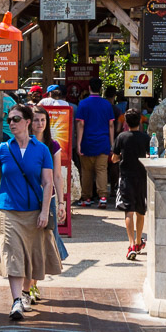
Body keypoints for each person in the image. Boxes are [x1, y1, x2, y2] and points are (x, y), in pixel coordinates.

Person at [0, 103, 60, 321]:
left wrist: (45, 211)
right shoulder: (2, 149)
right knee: (12, 255)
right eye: (9, 120)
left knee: (30, 256)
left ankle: (26, 293)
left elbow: (48, 183)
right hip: (7, 209)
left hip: (33, 211)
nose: (11, 123)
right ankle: (17, 300)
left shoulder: (42, 150)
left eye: (16, 119)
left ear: (28, 122)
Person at [20, 104, 69, 307]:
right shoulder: (22, 143)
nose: (40, 124)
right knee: (26, 245)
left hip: (46, 201)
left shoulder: (52, 145)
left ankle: (32, 284)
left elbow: (57, 176)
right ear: (30, 122)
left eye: (43, 120)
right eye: (36, 120)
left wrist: (61, 203)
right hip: (25, 200)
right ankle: (26, 286)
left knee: (42, 244)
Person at [111, 109, 150, 260]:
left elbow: (114, 158)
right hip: (141, 177)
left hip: (126, 177)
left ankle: (131, 243)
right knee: (141, 210)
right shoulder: (146, 138)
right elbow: (150, 155)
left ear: (126, 123)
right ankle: (139, 241)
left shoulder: (121, 137)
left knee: (128, 211)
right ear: (140, 121)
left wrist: (121, 157)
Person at [74, 77, 115, 208]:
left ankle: (86, 197)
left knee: (86, 171)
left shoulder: (83, 104)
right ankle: (102, 197)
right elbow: (111, 125)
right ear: (100, 89)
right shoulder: (107, 104)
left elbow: (80, 124)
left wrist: (79, 143)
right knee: (102, 170)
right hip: (103, 142)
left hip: (87, 142)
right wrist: (112, 143)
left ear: (89, 88)